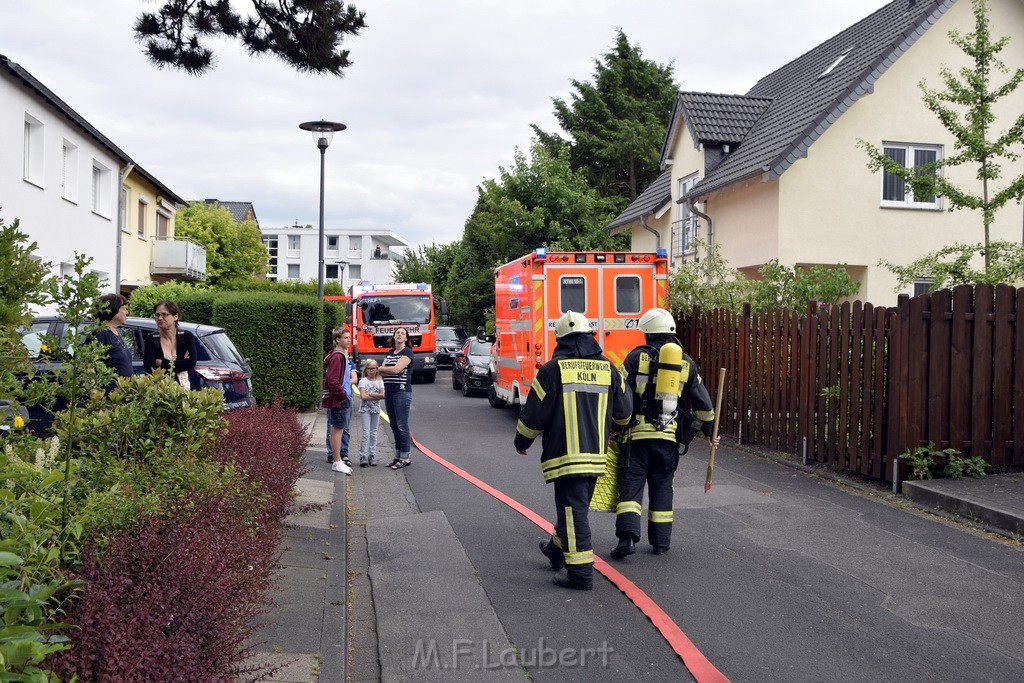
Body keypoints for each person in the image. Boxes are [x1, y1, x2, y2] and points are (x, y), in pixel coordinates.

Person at [514, 311, 632, 591]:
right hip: (596, 456)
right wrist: (613, 431)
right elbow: (625, 412)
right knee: (573, 507)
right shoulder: (609, 367)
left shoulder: (553, 369)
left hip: (566, 457)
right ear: (590, 337)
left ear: (562, 340)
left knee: (573, 510)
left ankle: (580, 573)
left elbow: (534, 415)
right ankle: (556, 551)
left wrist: (522, 441)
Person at [610, 307, 719, 560]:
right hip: (668, 439)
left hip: (636, 439)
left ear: (647, 334)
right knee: (662, 488)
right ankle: (660, 543)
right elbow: (704, 407)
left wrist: (615, 428)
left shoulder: (635, 358)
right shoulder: (686, 363)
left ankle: (627, 538)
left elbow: (621, 397)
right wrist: (709, 431)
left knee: (631, 487)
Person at [378, 326, 414, 470]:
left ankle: (405, 457)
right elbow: (386, 371)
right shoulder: (390, 352)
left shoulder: (407, 352)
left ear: (406, 338)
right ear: (394, 337)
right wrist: (387, 370)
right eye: (397, 333)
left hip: (401, 392)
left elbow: (395, 369)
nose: (399, 335)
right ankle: (398, 455)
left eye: (402, 333)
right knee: (393, 425)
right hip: (389, 391)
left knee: (402, 426)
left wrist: (383, 369)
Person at [143, 300, 197, 389]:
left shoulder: (186, 336)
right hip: (159, 391)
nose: (160, 318)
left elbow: (191, 363)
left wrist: (161, 363)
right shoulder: (152, 338)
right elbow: (149, 368)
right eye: (157, 315)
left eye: (164, 314)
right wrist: (181, 363)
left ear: (175, 316)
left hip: (183, 390)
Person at [324, 327, 358, 469]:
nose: (348, 340)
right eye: (345, 338)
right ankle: (337, 461)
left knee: (336, 428)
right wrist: (343, 394)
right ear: (337, 339)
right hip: (340, 398)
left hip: (340, 397)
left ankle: (337, 459)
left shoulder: (339, 355)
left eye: (349, 338)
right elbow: (332, 380)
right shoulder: (338, 356)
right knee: (338, 429)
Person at [92, 293, 133, 380]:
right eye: (123, 308)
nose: (127, 312)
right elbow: (88, 366)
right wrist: (94, 392)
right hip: (108, 392)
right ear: (113, 310)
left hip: (121, 391)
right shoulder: (101, 334)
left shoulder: (115, 332)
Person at [357, 360, 385, 467]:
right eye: (370, 368)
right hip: (365, 409)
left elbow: (383, 395)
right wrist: (376, 395)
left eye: (374, 368)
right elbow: (363, 396)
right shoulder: (363, 381)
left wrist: (370, 394)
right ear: (366, 370)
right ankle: (363, 455)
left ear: (377, 370)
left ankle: (372, 455)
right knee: (366, 432)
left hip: (376, 409)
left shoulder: (379, 381)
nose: (372, 371)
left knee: (374, 433)